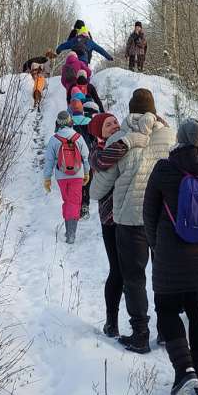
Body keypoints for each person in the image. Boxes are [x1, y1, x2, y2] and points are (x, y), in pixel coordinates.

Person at [143, 118, 198, 395]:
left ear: (179, 138)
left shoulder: (164, 169)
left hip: (170, 253)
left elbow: (149, 213)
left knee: (166, 309)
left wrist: (156, 246)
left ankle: (184, 368)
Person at [90, 89, 174, 353]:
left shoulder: (120, 139)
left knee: (134, 278)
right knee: (163, 276)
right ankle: (166, 332)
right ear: (154, 110)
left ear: (130, 110)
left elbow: (97, 190)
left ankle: (140, 335)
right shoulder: (170, 136)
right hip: (162, 218)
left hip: (129, 219)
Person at [88, 112, 123, 336]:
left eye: (115, 122)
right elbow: (103, 161)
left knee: (132, 271)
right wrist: (128, 143)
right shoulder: (96, 152)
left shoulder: (124, 142)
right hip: (110, 218)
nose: (114, 126)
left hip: (130, 216)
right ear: (98, 132)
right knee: (117, 270)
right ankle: (112, 322)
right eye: (108, 124)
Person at [43, 111, 91, 244]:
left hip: (61, 176)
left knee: (67, 201)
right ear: (70, 122)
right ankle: (71, 233)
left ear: (58, 123)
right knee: (74, 202)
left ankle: (68, 230)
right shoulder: (78, 137)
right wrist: (87, 172)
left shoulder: (54, 139)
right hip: (77, 175)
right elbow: (86, 157)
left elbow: (49, 161)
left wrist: (47, 178)